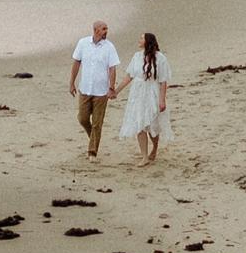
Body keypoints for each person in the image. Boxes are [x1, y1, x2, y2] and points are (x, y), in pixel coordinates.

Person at [70, 18, 121, 154]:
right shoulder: (83, 43)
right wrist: (72, 83)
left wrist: (111, 87)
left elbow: (112, 68)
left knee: (97, 123)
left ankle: (92, 151)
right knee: (82, 118)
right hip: (85, 88)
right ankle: (93, 137)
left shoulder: (109, 47)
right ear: (95, 30)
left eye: (107, 29)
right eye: (104, 29)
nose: (106, 31)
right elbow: (76, 63)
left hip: (101, 91)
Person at [123, 30, 172, 163]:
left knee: (152, 125)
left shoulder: (160, 58)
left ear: (148, 42)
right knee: (140, 124)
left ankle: (155, 147)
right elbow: (129, 76)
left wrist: (162, 100)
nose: (139, 40)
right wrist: (116, 90)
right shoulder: (136, 56)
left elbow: (163, 81)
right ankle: (144, 156)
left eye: (141, 38)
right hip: (137, 93)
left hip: (152, 92)